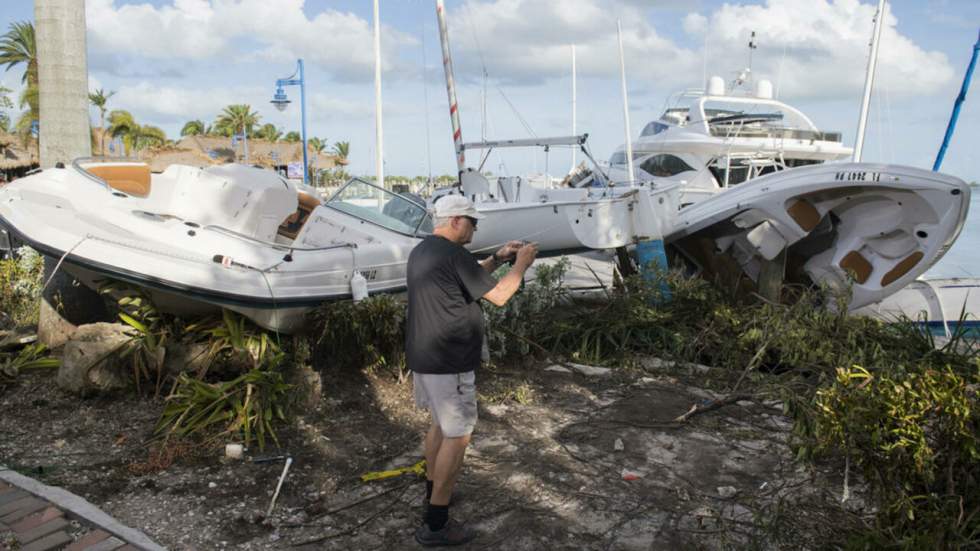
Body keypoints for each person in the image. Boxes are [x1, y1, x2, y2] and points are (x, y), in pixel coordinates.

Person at [406, 194, 538, 546]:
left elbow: (469, 279)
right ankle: (436, 524)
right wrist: (521, 264)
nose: (475, 227)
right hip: (449, 362)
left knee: (440, 425)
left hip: (426, 358)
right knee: (458, 434)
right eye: (472, 221)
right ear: (455, 221)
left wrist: (498, 258)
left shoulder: (426, 250)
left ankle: (433, 494)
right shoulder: (452, 254)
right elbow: (498, 296)